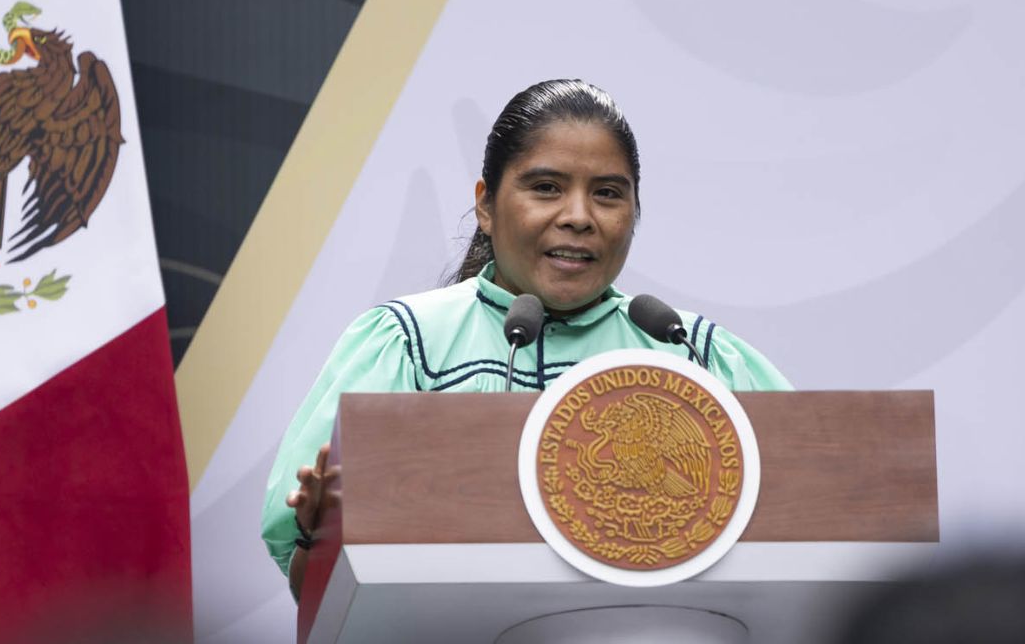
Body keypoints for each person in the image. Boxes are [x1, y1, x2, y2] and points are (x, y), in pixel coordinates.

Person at [261, 79, 792, 599]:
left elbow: (815, 509)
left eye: (607, 194)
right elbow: (313, 584)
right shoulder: (406, 343)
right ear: (487, 206)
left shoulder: (692, 352)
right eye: (546, 188)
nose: (579, 217)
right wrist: (320, 537)